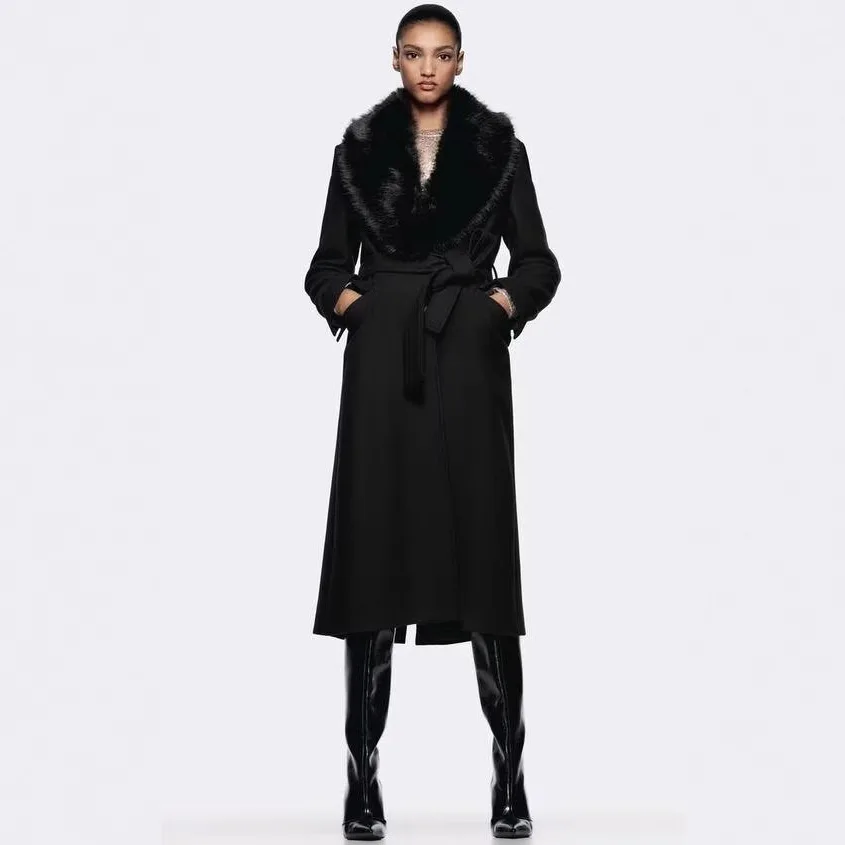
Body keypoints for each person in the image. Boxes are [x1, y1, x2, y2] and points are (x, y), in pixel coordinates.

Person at [303, 4, 561, 840]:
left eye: (440, 54)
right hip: (382, 365)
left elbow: (537, 260)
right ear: (393, 59)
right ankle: (361, 776)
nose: (426, 68)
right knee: (372, 558)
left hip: (466, 357)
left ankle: (509, 775)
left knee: (482, 556)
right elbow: (324, 265)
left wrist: (497, 307)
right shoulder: (356, 153)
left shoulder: (499, 151)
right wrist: (361, 306)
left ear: (459, 61)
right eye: (413, 53)